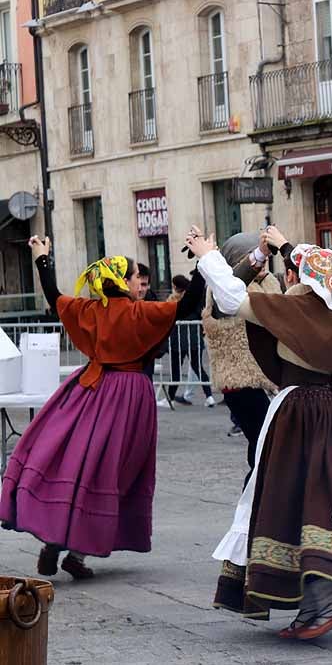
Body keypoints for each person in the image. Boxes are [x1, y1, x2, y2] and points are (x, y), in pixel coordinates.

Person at [192, 226, 332, 640]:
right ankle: (312, 606)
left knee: (291, 500)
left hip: (297, 412)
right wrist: (287, 249)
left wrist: (208, 254)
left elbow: (229, 299)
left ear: (293, 278)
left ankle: (323, 602)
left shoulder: (293, 310)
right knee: (325, 497)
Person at [1, 238, 205, 579]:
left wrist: (42, 259)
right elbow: (188, 306)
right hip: (130, 396)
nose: (141, 284)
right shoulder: (141, 313)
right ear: (123, 282)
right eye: (137, 278)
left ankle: (58, 537)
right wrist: (203, 262)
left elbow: (53, 296)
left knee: (78, 461)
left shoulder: (90, 310)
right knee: (116, 470)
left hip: (87, 390)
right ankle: (76, 550)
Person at [201, 233, 281, 486]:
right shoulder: (223, 289)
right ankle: (253, 508)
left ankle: (257, 505)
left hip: (270, 377)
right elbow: (234, 286)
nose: (263, 263)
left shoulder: (271, 283)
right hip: (240, 380)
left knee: (266, 446)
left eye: (266, 257)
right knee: (265, 445)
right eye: (257, 256)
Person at [166, 275, 215, 407]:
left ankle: (170, 398)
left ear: (176, 286)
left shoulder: (175, 300)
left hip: (179, 339)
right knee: (197, 367)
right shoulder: (194, 297)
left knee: (176, 369)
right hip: (193, 338)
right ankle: (209, 396)